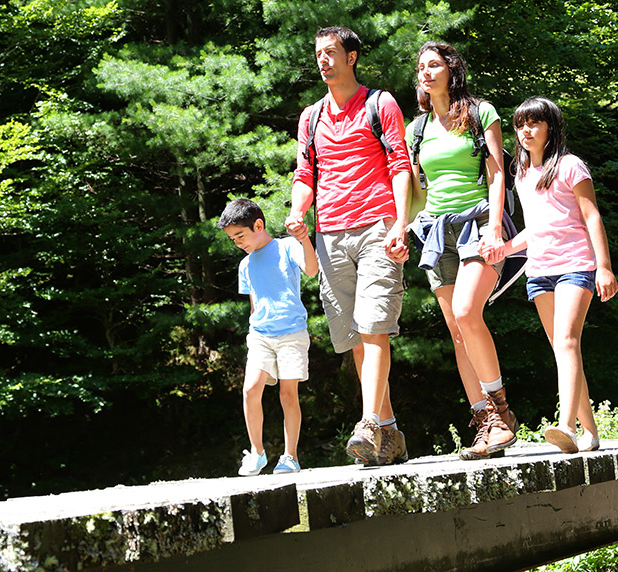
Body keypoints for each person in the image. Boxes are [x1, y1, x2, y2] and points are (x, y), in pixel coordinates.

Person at [285, 26, 412, 466]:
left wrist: (400, 223)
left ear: (351, 57)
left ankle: (369, 423)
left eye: (331, 52)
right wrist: (298, 212)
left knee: (375, 326)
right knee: (355, 337)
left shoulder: (381, 104)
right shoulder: (310, 116)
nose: (323, 60)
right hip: (330, 234)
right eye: (318, 53)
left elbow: (401, 165)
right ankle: (390, 435)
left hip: (377, 226)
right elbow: (305, 175)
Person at [481, 96, 618, 454]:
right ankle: (589, 432)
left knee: (568, 342)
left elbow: (592, 217)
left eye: (534, 123)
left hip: (576, 265)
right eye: (520, 124)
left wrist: (603, 267)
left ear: (550, 128)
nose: (526, 131)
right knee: (562, 348)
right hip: (539, 271)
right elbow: (536, 229)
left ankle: (567, 426)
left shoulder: (572, 166)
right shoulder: (522, 174)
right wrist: (505, 249)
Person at [405, 41, 523, 460]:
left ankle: (501, 412)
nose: (426, 72)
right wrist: (402, 229)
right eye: (421, 67)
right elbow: (417, 192)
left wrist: (494, 228)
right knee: (458, 333)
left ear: (451, 69)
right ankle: (486, 422)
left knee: (468, 313)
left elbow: (497, 174)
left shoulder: (480, 113)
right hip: (437, 232)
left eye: (434, 65)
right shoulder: (415, 129)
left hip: (478, 223)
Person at [218, 198, 319, 475]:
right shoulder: (245, 265)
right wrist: (254, 327)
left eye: (240, 235)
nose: (237, 242)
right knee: (250, 389)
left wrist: (305, 239)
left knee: (288, 395)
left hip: (291, 334)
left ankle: (290, 457)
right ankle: (257, 454)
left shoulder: (287, 247)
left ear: (258, 225)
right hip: (260, 335)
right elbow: (254, 302)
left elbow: (312, 270)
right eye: (232, 238)